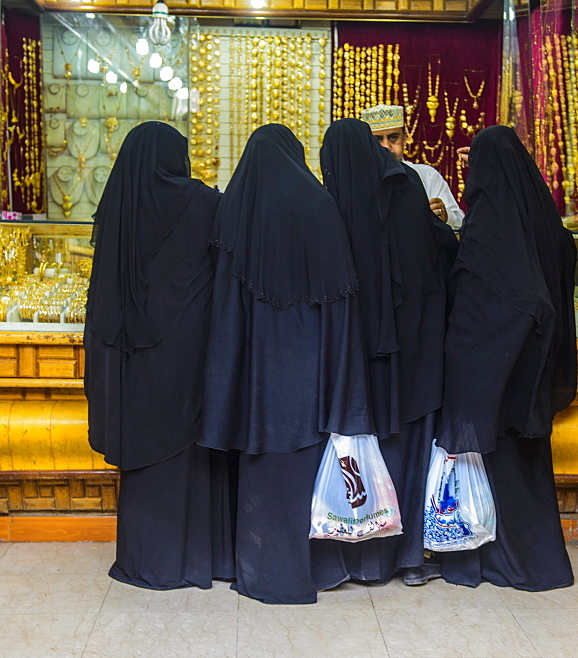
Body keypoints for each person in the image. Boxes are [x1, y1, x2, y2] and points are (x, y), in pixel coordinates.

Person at [198, 124, 374, 605]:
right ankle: (315, 569)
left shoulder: (237, 210)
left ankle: (263, 572)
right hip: (312, 370)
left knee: (261, 468)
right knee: (309, 469)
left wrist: (227, 378)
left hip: (257, 373)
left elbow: (224, 309)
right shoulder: (320, 207)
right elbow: (341, 302)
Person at [84, 121, 234, 590]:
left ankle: (147, 560)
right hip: (191, 350)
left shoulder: (118, 208)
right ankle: (198, 560)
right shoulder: (204, 201)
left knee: (145, 455)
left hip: (132, 356)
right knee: (190, 454)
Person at [436, 125, 578, 591]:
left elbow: (475, 297)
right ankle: (541, 562)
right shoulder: (543, 218)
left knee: (490, 463)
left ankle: (495, 560)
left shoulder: (487, 224)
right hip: (533, 365)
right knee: (527, 467)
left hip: (490, 367)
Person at [320, 118, 454, 586]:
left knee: (355, 453)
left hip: (353, 359)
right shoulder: (406, 187)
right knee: (410, 448)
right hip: (413, 350)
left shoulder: (328, 204)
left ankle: (356, 560)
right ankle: (410, 558)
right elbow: (438, 259)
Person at [362, 103, 465, 229]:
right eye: (378, 140)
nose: (386, 147)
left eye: (393, 137)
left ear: (404, 138)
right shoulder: (361, 179)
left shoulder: (427, 175)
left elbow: (459, 222)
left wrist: (444, 215)